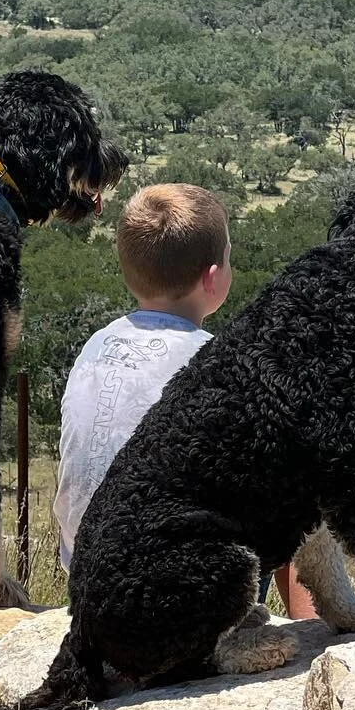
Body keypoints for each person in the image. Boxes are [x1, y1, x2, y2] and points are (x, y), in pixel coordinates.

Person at [55, 183, 231, 571]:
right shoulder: (217, 362)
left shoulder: (96, 346)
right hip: (177, 581)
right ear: (213, 278)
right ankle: (313, 625)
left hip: (86, 568)